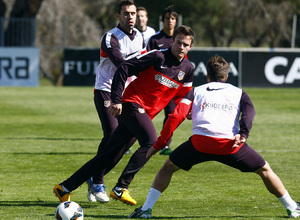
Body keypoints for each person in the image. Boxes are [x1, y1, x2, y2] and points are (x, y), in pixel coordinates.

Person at [128, 55, 300, 219]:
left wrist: (160, 144)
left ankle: (146, 210)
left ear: (208, 75)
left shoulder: (197, 91)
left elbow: (175, 116)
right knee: (264, 170)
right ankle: (292, 208)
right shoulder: (240, 92)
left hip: (199, 144)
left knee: (168, 167)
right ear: (226, 76)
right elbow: (249, 114)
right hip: (229, 145)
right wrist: (243, 134)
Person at [53, 25, 195, 206]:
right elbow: (124, 68)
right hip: (131, 103)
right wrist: (117, 99)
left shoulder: (188, 69)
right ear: (172, 41)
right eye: (178, 42)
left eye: (185, 44)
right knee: (151, 141)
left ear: (190, 47)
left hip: (145, 113)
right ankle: (121, 188)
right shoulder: (157, 56)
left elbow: (184, 95)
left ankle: (64, 188)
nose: (181, 47)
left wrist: (189, 111)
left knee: (108, 156)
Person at [84, 0, 146, 203]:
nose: (130, 17)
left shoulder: (140, 38)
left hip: (127, 94)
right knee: (111, 132)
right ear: (118, 16)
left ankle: (93, 177)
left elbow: (142, 67)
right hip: (106, 91)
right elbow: (123, 64)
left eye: (133, 13)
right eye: (126, 13)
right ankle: (98, 181)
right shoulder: (110, 37)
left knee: (130, 137)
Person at [147, 5, 178, 155]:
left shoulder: (179, 40)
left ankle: (165, 145)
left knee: (172, 115)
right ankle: (140, 140)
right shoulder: (155, 39)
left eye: (173, 19)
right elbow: (147, 62)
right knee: (145, 115)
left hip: (171, 87)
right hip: (156, 86)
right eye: (167, 18)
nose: (170, 21)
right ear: (163, 20)